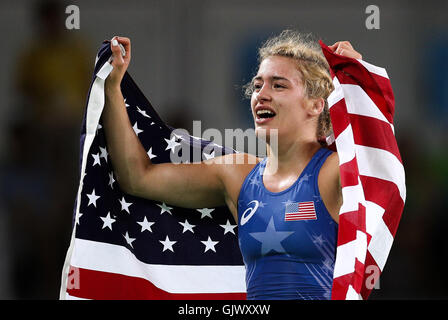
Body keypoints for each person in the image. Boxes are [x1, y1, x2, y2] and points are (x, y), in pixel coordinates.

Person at [102, 30, 362, 300]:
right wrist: (112, 87)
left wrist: (359, 86)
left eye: (278, 85)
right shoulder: (238, 176)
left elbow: (380, 172)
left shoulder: (336, 171)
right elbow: (137, 177)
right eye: (258, 85)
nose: (261, 94)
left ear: (315, 105)